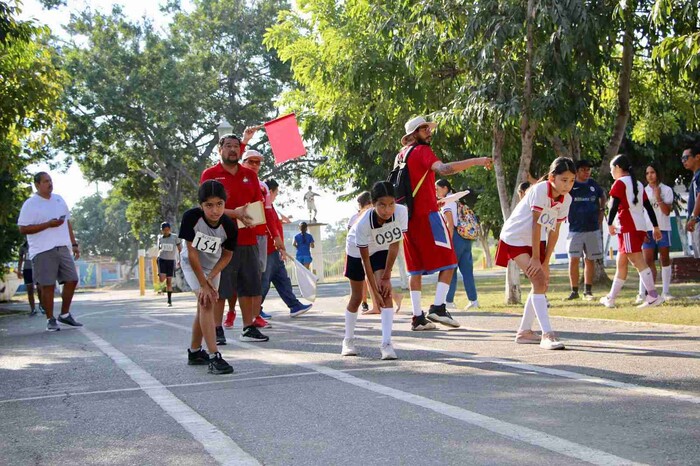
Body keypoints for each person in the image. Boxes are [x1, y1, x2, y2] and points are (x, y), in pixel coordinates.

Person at [396, 115, 491, 331]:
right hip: (427, 217)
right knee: (450, 261)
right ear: (413, 134)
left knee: (415, 270)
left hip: (407, 219)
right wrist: (477, 161)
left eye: (429, 128)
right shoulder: (422, 151)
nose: (429, 132)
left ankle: (417, 317)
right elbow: (445, 169)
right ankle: (438, 307)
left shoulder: (401, 156)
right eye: (423, 129)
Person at [496, 158, 576, 349]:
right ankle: (547, 334)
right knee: (539, 281)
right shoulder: (540, 190)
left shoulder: (567, 199)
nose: (567, 185)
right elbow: (536, 223)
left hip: (535, 240)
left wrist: (546, 261)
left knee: (542, 282)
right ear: (552, 177)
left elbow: (554, 231)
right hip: (515, 237)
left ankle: (524, 332)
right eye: (564, 180)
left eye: (571, 181)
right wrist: (535, 258)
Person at [200, 129, 269, 344]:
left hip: (248, 239)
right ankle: (217, 328)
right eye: (228, 146)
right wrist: (234, 213)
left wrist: (250, 221)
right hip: (220, 241)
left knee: (250, 285)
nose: (232, 149)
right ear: (220, 150)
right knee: (220, 287)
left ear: (241, 150)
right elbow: (206, 207)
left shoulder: (251, 175)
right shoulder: (210, 175)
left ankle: (248, 327)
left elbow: (258, 207)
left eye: (236, 146)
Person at [342, 181, 407, 360]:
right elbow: (365, 261)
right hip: (357, 251)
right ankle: (348, 340)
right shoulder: (363, 223)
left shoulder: (401, 212)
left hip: (381, 248)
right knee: (356, 298)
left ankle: (386, 344)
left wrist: (386, 277)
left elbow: (394, 246)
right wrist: (373, 294)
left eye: (391, 204)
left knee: (385, 293)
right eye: (381, 205)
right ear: (373, 204)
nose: (387, 210)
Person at [180, 180, 237, 375]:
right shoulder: (191, 218)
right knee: (206, 302)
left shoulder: (229, 226)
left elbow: (227, 255)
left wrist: (211, 276)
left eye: (219, 204)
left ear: (224, 203)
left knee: (203, 305)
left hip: (213, 267)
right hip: (191, 264)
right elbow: (192, 252)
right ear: (201, 206)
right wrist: (203, 283)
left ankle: (195, 352)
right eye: (209, 205)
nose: (215, 210)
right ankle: (214, 357)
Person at [17, 172, 82, 332]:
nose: (50, 183)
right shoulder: (30, 204)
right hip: (42, 250)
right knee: (47, 285)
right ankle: (50, 319)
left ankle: (65, 314)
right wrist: (48, 225)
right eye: (46, 181)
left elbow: (67, 223)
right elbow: (23, 228)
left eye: (51, 180)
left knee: (72, 279)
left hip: (62, 246)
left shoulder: (59, 199)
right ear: (37, 185)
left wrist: (73, 244)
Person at [600, 155, 664, 309]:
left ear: (617, 168)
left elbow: (614, 205)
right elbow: (648, 207)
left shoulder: (620, 183)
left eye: (611, 169)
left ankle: (653, 296)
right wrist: (655, 226)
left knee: (638, 261)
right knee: (621, 262)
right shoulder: (638, 184)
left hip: (628, 227)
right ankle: (611, 298)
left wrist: (609, 223)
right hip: (638, 226)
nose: (611, 172)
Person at [240, 149, 286, 327]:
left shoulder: (263, 187)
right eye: (250, 161)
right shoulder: (238, 182)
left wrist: (276, 236)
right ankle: (229, 314)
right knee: (236, 278)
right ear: (242, 162)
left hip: (258, 236)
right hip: (237, 236)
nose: (254, 165)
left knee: (257, 276)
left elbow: (268, 214)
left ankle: (255, 315)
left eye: (257, 162)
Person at [260, 179, 314, 318]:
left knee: (282, 279)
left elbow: (277, 225)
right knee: (264, 282)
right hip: (267, 249)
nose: (276, 196)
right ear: (270, 191)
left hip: (275, 250)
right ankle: (255, 310)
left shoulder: (271, 207)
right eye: (276, 193)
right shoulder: (263, 207)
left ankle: (294, 306)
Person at [565, 159, 607, 301]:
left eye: (588, 170)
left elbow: (603, 196)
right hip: (575, 229)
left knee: (590, 260)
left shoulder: (593, 185)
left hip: (592, 228)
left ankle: (587, 291)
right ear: (576, 172)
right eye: (583, 170)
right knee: (573, 260)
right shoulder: (571, 185)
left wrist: (601, 211)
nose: (586, 172)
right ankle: (574, 291)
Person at [436, 179, 479, 311]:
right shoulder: (457, 201)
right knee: (467, 271)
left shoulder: (447, 203)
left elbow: (449, 224)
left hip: (455, 238)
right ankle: (473, 300)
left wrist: (448, 242)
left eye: (437, 188)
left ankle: (448, 301)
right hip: (465, 238)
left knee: (451, 270)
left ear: (445, 188)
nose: (435, 191)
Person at [636, 162, 675, 302]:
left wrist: (658, 197)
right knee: (646, 261)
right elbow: (639, 212)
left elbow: (666, 211)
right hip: (646, 229)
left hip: (663, 228)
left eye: (652, 172)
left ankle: (666, 292)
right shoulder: (642, 191)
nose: (650, 175)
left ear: (657, 173)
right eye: (647, 173)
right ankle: (644, 293)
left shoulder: (666, 190)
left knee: (664, 260)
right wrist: (641, 231)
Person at [157, 222, 182, 307]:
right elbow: (159, 249)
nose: (166, 232)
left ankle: (169, 300)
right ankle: (160, 273)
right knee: (162, 279)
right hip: (162, 259)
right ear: (161, 230)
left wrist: (180, 259)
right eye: (164, 230)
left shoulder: (175, 237)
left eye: (167, 230)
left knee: (169, 281)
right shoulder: (160, 238)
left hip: (171, 261)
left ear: (170, 229)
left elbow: (180, 249)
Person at [682, 145, 700, 258]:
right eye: (682, 159)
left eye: (686, 158)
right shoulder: (696, 176)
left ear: (697, 157)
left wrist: (693, 218)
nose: (683, 161)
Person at [17, 240, 42, 316]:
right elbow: (20, 259)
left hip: (37, 268)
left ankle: (42, 305)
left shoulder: (37, 244)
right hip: (27, 269)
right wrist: (19, 270)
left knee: (40, 288)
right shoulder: (23, 247)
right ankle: (33, 309)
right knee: (29, 290)